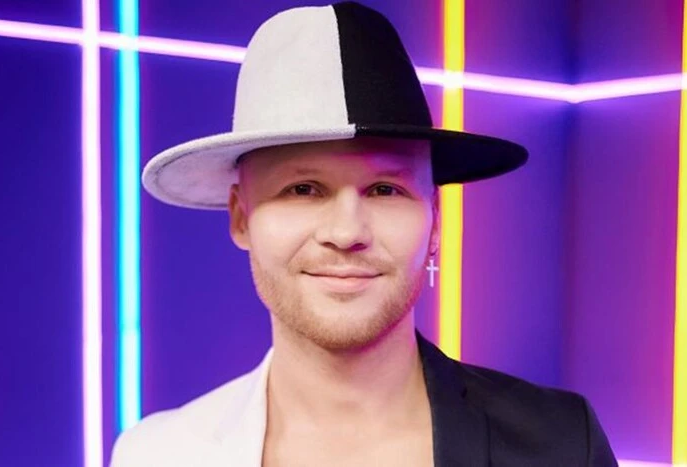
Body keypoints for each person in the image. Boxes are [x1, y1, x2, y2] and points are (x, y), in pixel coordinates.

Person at [110, 2, 618, 466]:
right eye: (303, 189)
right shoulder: (157, 454)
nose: (346, 231)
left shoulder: (560, 446)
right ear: (240, 217)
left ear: (436, 221)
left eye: (384, 189)